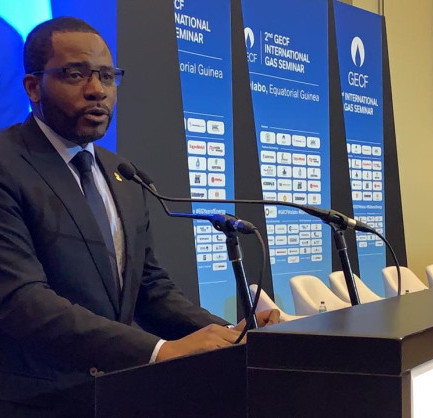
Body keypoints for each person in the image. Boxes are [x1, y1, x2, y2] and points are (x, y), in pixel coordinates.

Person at [0, 17, 279, 416]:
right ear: (33, 87)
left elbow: (150, 288)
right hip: (37, 401)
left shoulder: (121, 174)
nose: (97, 90)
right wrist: (159, 350)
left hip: (119, 394)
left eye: (106, 76)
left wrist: (228, 335)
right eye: (76, 74)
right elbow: (21, 300)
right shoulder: (8, 164)